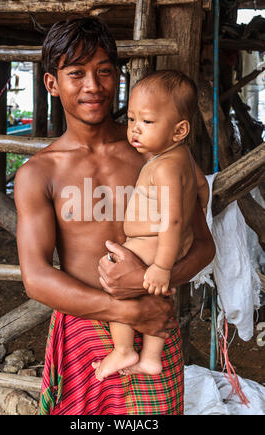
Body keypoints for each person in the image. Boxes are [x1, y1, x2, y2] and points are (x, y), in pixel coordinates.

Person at [14, 17, 215, 415]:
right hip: (84, 326)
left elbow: (203, 245)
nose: (93, 85)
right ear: (52, 83)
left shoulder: (159, 154)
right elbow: (36, 277)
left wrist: (154, 281)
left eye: (104, 71)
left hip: (154, 325)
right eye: (77, 74)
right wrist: (127, 309)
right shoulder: (40, 173)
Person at [92, 70, 209, 382]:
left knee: (116, 288)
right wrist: (203, 204)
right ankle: (151, 359)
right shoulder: (182, 156)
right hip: (162, 243)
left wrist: (161, 266)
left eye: (146, 122)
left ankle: (123, 349)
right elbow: (201, 186)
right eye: (131, 119)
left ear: (179, 129)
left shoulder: (165, 167)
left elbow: (171, 221)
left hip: (153, 243)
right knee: (159, 300)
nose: (134, 130)